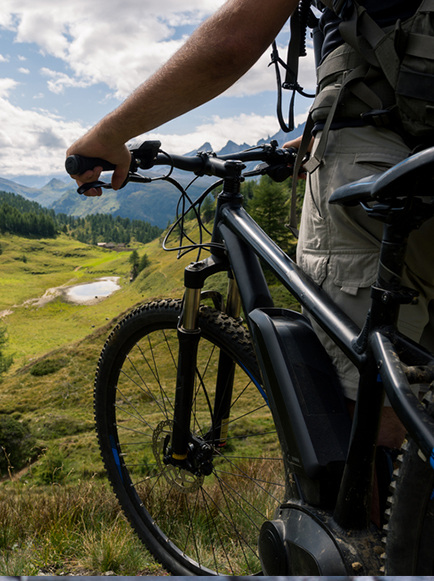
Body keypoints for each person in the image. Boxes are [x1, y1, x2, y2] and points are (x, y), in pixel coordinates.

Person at [67, 0, 432, 524]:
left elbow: (231, 41)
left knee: (363, 398)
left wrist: (110, 133)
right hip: (403, 141)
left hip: (378, 157)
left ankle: (372, 552)